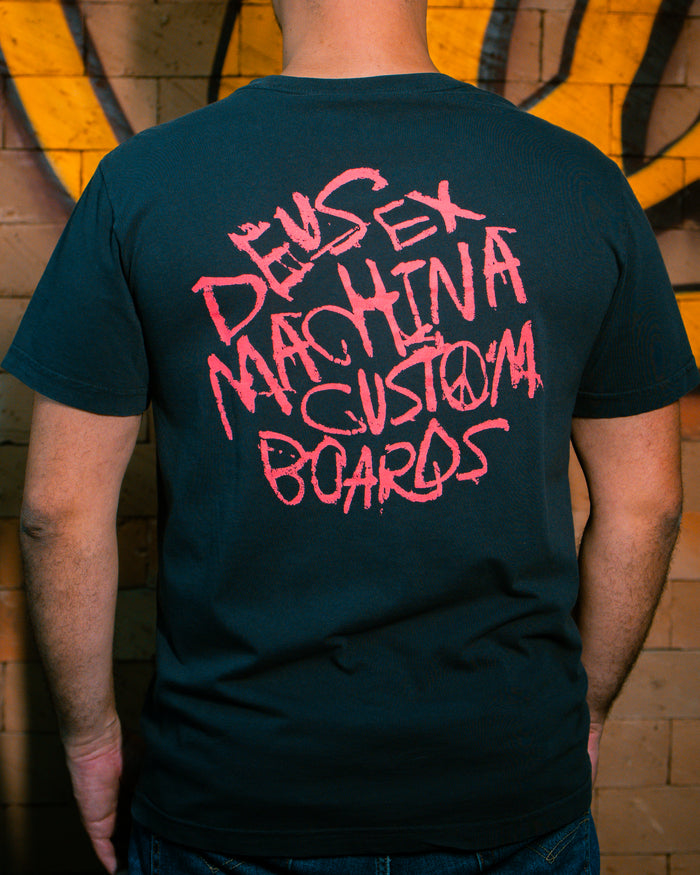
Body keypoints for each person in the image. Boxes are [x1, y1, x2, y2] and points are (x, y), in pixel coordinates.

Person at [4, 0, 698, 872]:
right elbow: (646, 506)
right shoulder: (581, 182)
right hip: (510, 789)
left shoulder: (141, 184)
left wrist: (90, 739)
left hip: (230, 795)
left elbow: (58, 512)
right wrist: (580, 714)